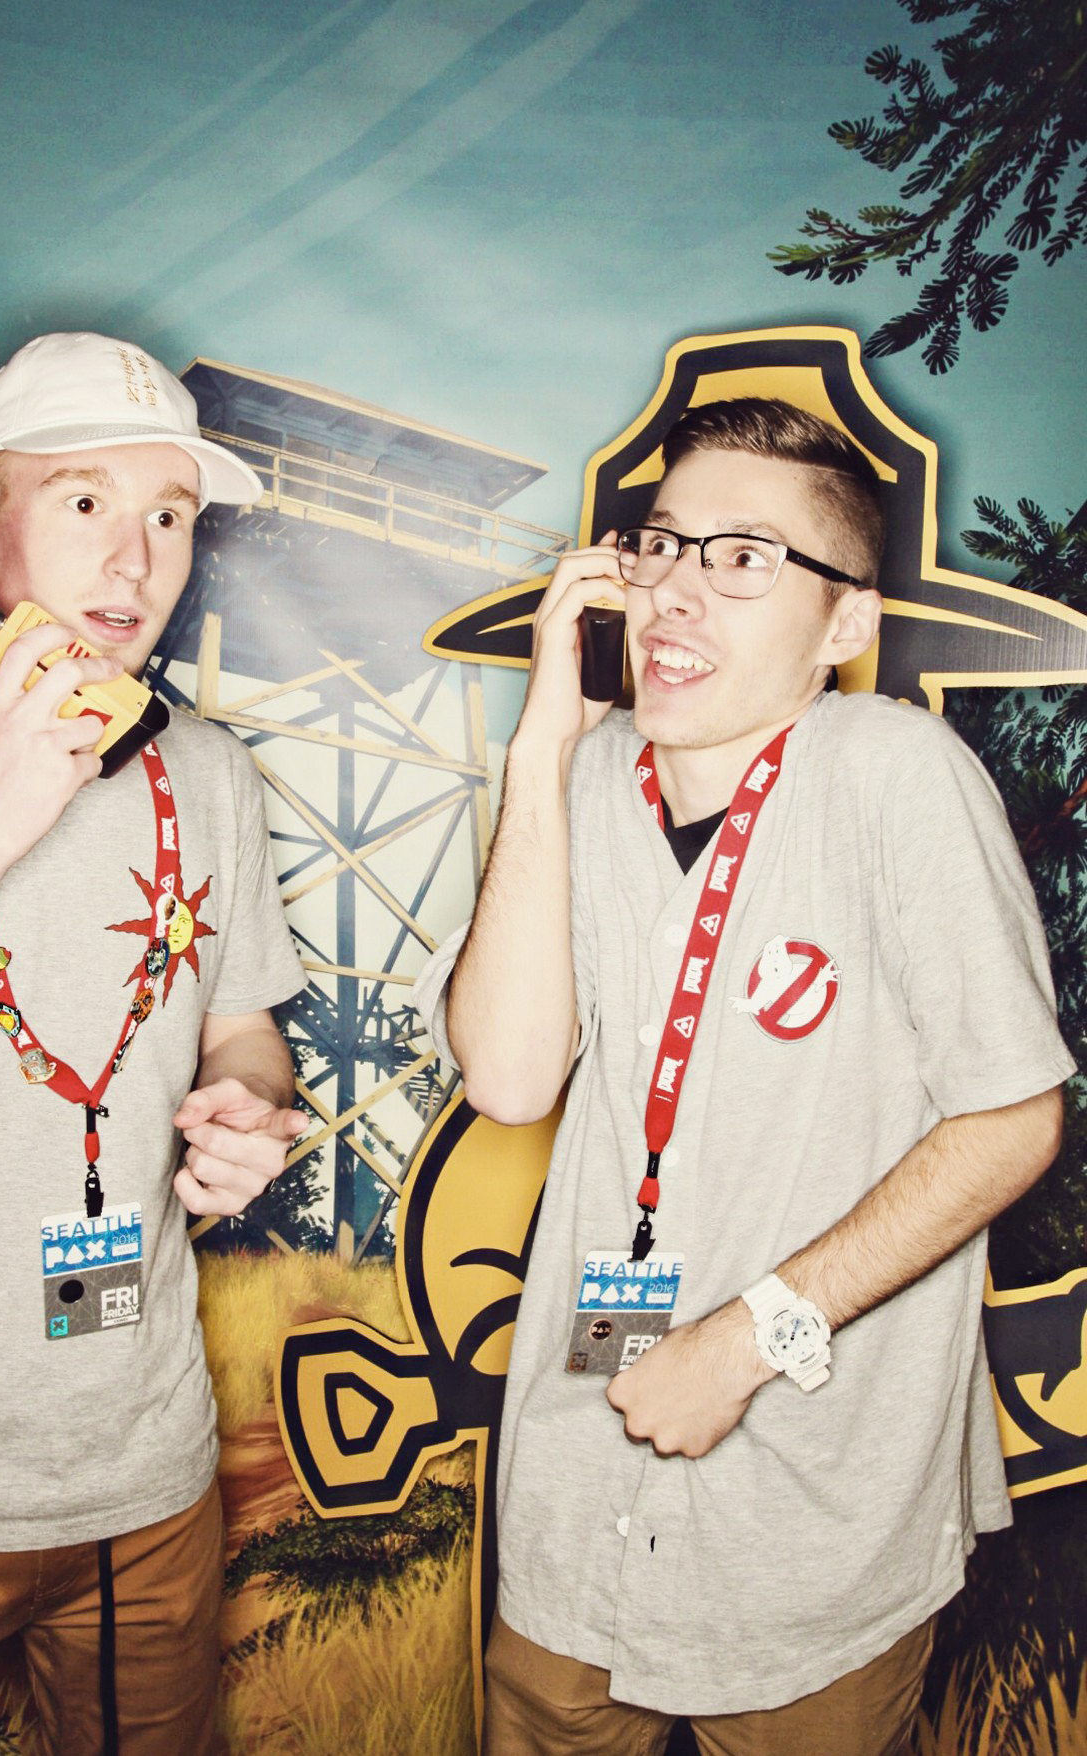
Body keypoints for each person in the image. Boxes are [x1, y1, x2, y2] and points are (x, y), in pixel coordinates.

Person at [415, 396, 1074, 1756]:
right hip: (574, 1497)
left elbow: (1015, 1121)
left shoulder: (892, 772)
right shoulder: (586, 778)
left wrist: (747, 1339)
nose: (677, 590)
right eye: (663, 546)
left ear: (844, 624)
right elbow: (512, 1079)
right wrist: (541, 745)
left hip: (812, 1527)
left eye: (745, 558)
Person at [0, 333, 308, 1756]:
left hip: (145, 1477)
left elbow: (244, 1032)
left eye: (170, 514)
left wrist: (248, 1107)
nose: (134, 559)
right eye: (86, 500)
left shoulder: (209, 773)